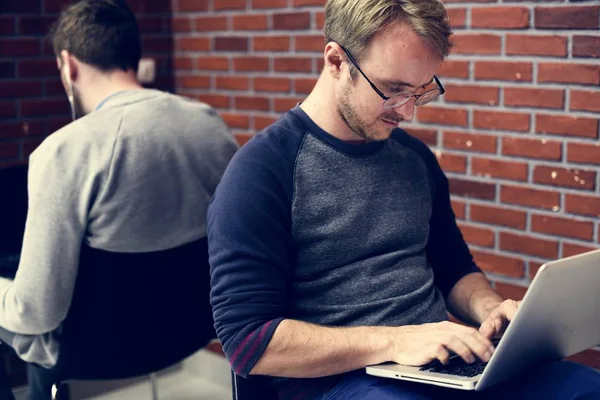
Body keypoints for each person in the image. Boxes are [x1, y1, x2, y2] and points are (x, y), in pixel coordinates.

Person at [206, 0, 600, 399]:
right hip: (341, 382)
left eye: (420, 91)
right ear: (336, 60)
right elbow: (247, 341)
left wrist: (490, 310)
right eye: (393, 90)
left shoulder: (414, 158)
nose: (408, 112)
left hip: (442, 368)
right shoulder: (261, 173)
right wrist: (396, 342)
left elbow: (453, 267)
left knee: (587, 387)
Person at [0, 0, 238, 398]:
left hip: (93, 353)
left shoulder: (63, 151)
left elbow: (37, 312)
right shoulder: (209, 124)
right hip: (193, 330)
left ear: (68, 65)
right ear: (132, 53)